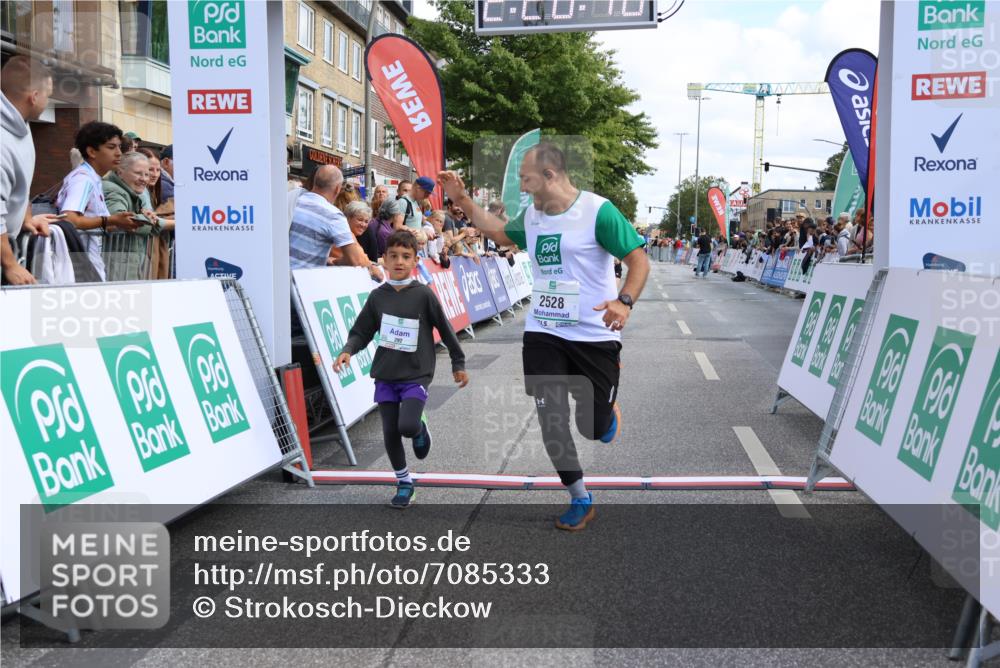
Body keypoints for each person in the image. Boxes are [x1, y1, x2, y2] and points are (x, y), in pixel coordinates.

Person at [439, 142, 649, 531]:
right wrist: (462, 199)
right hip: (543, 330)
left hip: (593, 333)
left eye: (526, 178)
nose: (522, 186)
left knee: (592, 427)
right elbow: (500, 234)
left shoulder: (598, 211)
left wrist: (625, 301)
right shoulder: (533, 216)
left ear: (549, 175)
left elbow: (638, 260)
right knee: (550, 418)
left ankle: (605, 415)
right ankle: (580, 497)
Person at [334, 229, 469, 509]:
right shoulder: (377, 297)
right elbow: (362, 331)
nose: (399, 261)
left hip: (416, 372)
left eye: (406, 256)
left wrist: (458, 363)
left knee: (406, 426)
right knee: (390, 432)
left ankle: (419, 429)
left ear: (415, 260)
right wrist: (348, 350)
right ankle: (404, 482)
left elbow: (445, 329)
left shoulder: (423, 295)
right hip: (386, 374)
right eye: (393, 256)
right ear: (383, 259)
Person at [57, 121, 141, 280]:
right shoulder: (83, 180)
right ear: (92, 151)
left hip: (86, 265)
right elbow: (69, 219)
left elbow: (94, 221)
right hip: (79, 269)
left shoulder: (92, 178)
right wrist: (110, 220)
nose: (119, 153)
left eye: (119, 147)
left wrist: (128, 221)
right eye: (111, 147)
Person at [1, 56, 57, 285]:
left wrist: (26, 217)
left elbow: (19, 183)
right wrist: (10, 264)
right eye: (48, 96)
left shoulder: (20, 123)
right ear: (33, 97)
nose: (48, 102)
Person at [290, 164, 382, 280]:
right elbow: (355, 260)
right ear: (337, 188)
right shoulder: (333, 215)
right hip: (303, 282)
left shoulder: (294, 201)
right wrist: (336, 262)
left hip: (278, 277)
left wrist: (328, 259)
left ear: (315, 181)